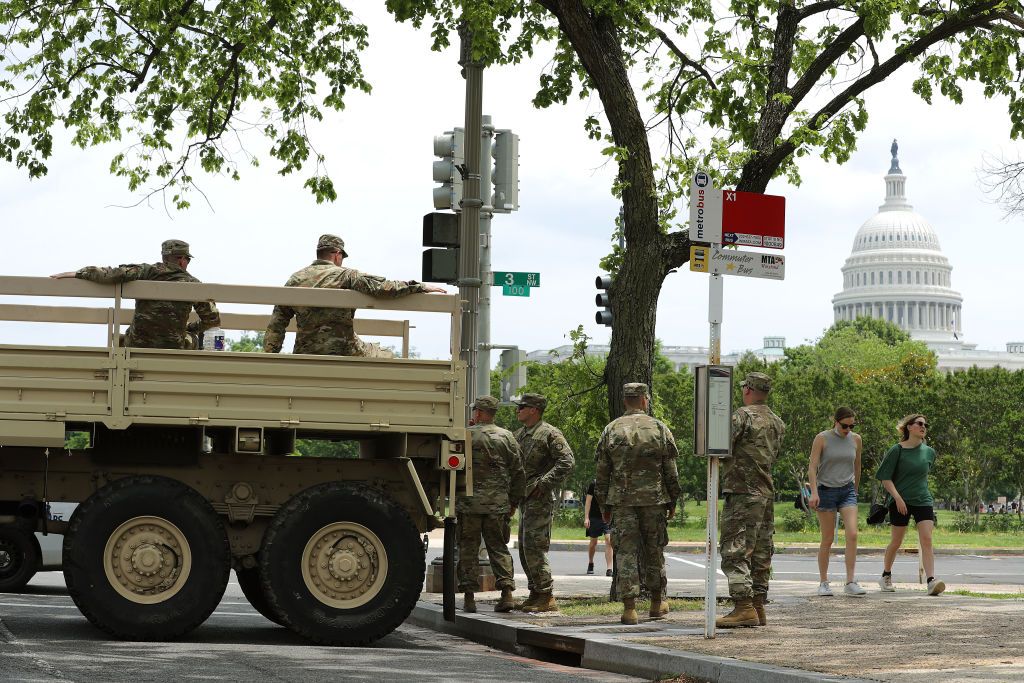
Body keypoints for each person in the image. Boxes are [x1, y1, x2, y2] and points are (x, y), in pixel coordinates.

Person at [263, 234, 445, 357]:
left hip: (305, 351)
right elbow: (384, 287)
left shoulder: (295, 279)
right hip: (344, 350)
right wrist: (419, 286)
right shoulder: (346, 275)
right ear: (336, 254)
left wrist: (271, 356)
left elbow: (277, 323)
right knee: (387, 355)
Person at [595, 383, 680, 625]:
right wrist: (673, 498)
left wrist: (603, 505)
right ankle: (656, 602)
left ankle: (629, 608)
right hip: (653, 501)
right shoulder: (659, 429)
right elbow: (670, 471)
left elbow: (602, 473)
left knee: (625, 553)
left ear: (625, 401)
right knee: (655, 551)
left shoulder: (611, 430)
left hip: (622, 502)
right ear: (644, 400)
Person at [51, 239, 220, 349]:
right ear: (182, 260)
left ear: (164, 257)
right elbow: (212, 320)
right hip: (173, 345)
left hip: (138, 343)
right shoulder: (195, 285)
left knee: (124, 336)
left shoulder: (146, 271)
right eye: (188, 259)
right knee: (194, 339)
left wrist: (79, 273)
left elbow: (114, 273)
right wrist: (189, 328)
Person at [716, 372, 785, 629]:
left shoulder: (741, 417)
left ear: (747, 390)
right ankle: (757, 605)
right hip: (765, 492)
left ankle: (744, 606)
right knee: (761, 551)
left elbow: (720, 448)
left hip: (743, 492)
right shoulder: (777, 422)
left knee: (735, 549)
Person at [457, 396, 526, 614]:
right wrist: (513, 501)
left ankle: (469, 598)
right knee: (498, 547)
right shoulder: (507, 437)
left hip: (469, 504)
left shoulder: (465, 435)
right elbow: (518, 472)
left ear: (478, 412)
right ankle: (506, 593)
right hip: (497, 505)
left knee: (468, 548)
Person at [514, 393, 574, 613]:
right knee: (524, 548)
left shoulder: (549, 433)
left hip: (539, 499)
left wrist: (544, 483)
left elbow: (567, 460)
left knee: (535, 547)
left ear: (534, 410)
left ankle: (547, 596)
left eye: (522, 407)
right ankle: (535, 592)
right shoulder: (520, 434)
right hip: (524, 498)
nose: (517, 410)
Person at [876, 413, 945, 596]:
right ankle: (886, 575)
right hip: (900, 501)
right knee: (896, 541)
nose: (924, 427)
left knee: (927, 539)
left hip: (923, 500)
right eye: (920, 423)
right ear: (909, 427)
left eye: (926, 425)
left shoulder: (930, 452)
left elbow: (923, 476)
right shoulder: (896, 450)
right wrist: (897, 498)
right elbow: (884, 477)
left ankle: (931, 581)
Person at [808, 407, 866, 597]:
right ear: (835, 421)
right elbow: (812, 466)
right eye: (844, 425)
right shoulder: (822, 438)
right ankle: (823, 582)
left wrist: (855, 489)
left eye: (851, 426)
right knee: (828, 538)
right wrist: (814, 492)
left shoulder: (856, 439)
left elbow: (857, 466)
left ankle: (850, 581)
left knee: (852, 534)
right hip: (825, 490)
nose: (847, 429)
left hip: (847, 490)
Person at [583, 479, 613, 576]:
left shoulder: (612, 483)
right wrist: (586, 518)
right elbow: (588, 502)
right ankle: (591, 563)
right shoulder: (594, 484)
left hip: (607, 517)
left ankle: (609, 568)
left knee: (609, 540)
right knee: (593, 542)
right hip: (594, 517)